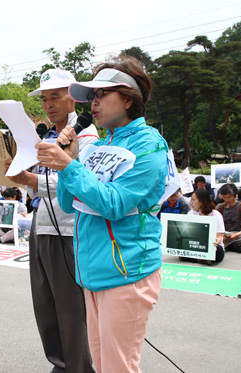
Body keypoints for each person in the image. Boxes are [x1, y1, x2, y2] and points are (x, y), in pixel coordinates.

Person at [36, 57, 167, 373]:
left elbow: (115, 203)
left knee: (119, 367)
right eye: (91, 96)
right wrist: (69, 162)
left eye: (101, 95)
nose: (93, 104)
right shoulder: (99, 144)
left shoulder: (149, 145)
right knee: (102, 363)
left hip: (127, 274)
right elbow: (69, 204)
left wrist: (69, 166)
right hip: (91, 272)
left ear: (128, 98)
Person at [6, 68, 98, 373]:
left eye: (55, 96)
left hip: (68, 232)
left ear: (72, 98)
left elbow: (78, 183)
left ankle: (78, 368)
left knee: (71, 312)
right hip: (41, 226)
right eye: (44, 99)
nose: (48, 104)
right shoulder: (46, 135)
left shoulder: (86, 135)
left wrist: (30, 179)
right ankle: (62, 365)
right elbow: (42, 180)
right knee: (46, 308)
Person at [188, 188, 226, 264]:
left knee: (218, 251)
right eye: (191, 200)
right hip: (195, 244)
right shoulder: (191, 213)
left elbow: (219, 236)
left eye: (193, 200)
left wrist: (216, 242)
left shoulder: (216, 215)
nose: (191, 203)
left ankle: (198, 258)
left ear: (202, 201)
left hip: (211, 244)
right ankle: (202, 259)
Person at [216, 184, 241, 253]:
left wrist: (236, 235)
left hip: (237, 234)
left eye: (229, 197)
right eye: (224, 197)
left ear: (235, 195)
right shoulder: (219, 207)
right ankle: (233, 245)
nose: (227, 200)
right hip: (223, 234)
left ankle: (227, 244)